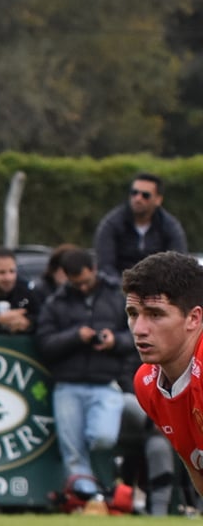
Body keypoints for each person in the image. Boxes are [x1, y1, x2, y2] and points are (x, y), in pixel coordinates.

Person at [36, 246, 134, 505]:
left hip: (106, 382)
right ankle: (86, 501)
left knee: (103, 437)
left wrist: (115, 341)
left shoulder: (117, 296)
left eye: (84, 281)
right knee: (74, 451)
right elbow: (44, 344)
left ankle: (105, 489)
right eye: (74, 282)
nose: (80, 287)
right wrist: (75, 336)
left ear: (93, 270)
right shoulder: (56, 302)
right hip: (68, 384)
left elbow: (137, 336)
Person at [124, 249, 203, 505]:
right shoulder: (146, 383)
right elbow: (195, 463)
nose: (139, 329)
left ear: (193, 318)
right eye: (133, 314)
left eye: (155, 314)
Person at [95, 173, 187, 286]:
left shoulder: (170, 226)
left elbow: (178, 265)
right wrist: (125, 288)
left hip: (158, 291)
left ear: (158, 199)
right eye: (134, 193)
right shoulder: (111, 224)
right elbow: (105, 266)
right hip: (118, 289)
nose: (138, 198)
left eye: (145, 195)